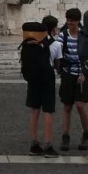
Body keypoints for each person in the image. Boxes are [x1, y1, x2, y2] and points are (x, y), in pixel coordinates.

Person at [53, 7, 88, 153]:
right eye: (67, 20)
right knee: (67, 106)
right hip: (67, 74)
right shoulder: (63, 36)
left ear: (77, 21)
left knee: (80, 106)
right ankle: (65, 136)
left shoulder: (84, 36)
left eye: (72, 21)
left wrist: (84, 73)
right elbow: (57, 53)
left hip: (82, 74)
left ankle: (87, 135)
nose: (69, 23)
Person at [20, 20, 58, 156]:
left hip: (32, 78)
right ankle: (48, 145)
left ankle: (34, 144)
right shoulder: (55, 44)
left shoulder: (27, 44)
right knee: (48, 110)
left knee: (34, 110)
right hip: (47, 78)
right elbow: (57, 64)